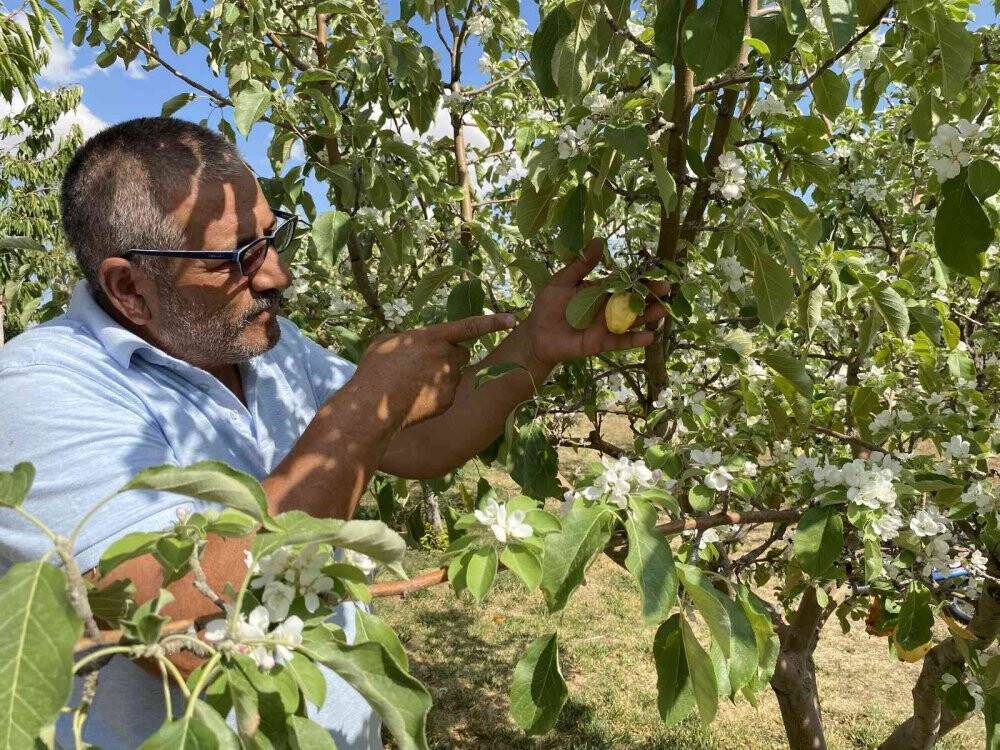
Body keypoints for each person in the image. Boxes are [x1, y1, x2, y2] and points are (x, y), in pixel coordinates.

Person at [0, 117, 665, 748]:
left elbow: (417, 442)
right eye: (235, 258)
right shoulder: (39, 389)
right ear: (130, 288)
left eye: (269, 236)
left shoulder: (272, 349)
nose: (275, 274)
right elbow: (173, 628)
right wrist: (355, 413)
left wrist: (534, 349)